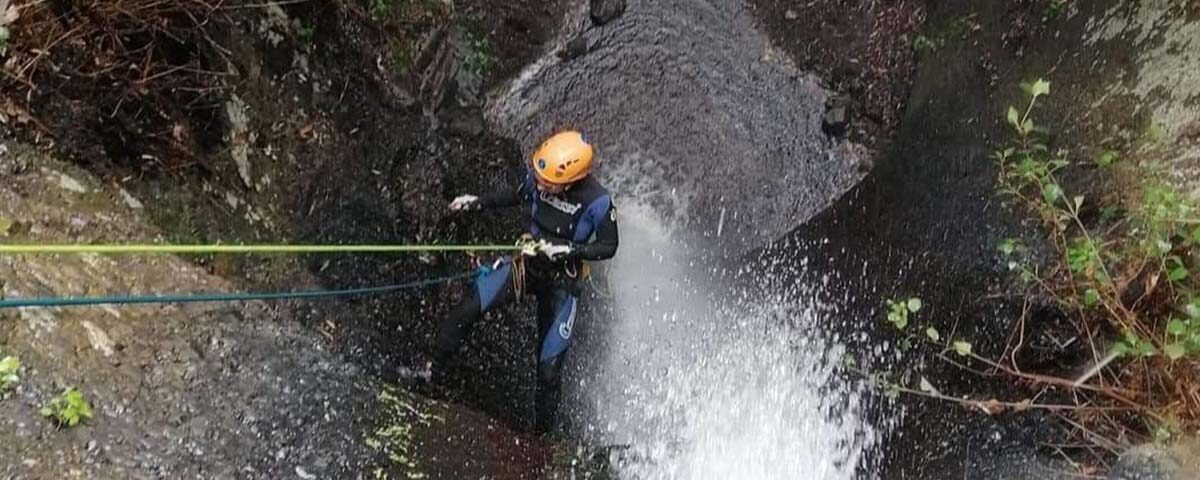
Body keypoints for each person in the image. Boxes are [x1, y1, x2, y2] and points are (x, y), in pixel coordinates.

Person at [430, 129, 619, 432]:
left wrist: (571, 249)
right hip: (527, 265)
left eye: (549, 183)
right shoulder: (538, 180)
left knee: (548, 372)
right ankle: (431, 375)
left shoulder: (597, 202)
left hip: (562, 282)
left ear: (571, 180)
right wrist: (476, 202)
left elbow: (608, 246)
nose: (540, 184)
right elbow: (515, 194)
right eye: (539, 177)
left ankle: (541, 438)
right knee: (466, 309)